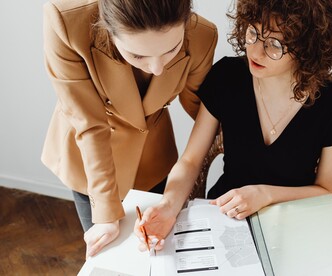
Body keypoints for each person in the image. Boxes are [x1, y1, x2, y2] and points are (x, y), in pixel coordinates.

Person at [135, 0, 332, 251]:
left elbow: (328, 191)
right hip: (224, 216)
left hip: (295, 223)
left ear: (308, 48)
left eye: (274, 45)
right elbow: (190, 161)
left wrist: (264, 195)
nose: (255, 51)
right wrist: (168, 205)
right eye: (252, 33)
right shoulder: (227, 76)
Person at [41, 0, 217, 258]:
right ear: (108, 30)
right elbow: (89, 123)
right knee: (108, 256)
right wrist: (105, 213)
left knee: (157, 254)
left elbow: (202, 111)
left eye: (172, 49)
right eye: (138, 55)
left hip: (153, 155)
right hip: (90, 161)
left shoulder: (202, 36)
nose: (157, 68)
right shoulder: (66, 22)